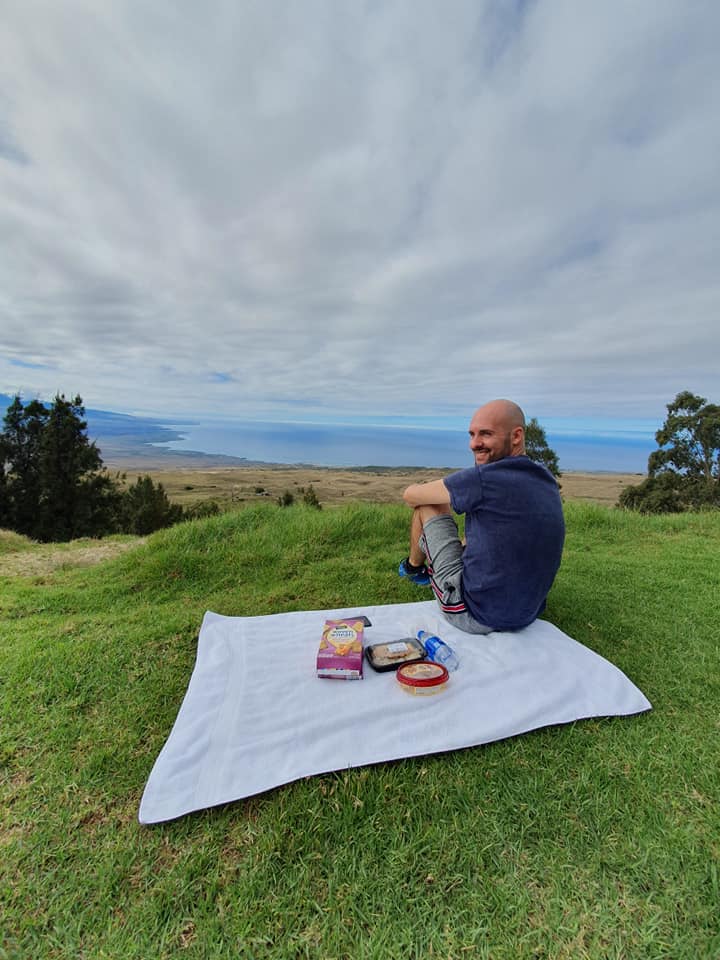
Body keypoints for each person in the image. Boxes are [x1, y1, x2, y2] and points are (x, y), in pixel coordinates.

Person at [398, 399, 565, 634]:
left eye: (486, 434)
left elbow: (410, 496)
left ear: (516, 436)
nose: (474, 444)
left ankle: (414, 568)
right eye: (472, 434)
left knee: (427, 505)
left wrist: (426, 487)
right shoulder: (544, 478)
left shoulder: (483, 479)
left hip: (475, 614)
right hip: (528, 612)